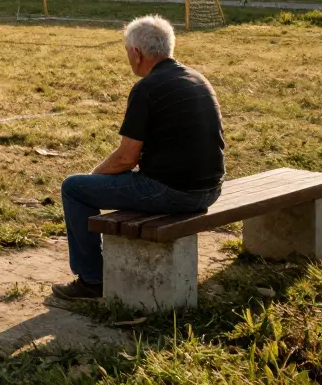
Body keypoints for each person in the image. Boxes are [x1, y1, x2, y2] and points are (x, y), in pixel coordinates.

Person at [52, 15, 225, 300]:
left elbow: (126, 158)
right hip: (210, 191)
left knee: (74, 188)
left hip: (176, 193)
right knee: (92, 185)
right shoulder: (197, 78)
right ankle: (95, 274)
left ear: (137, 53)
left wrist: (93, 178)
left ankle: (92, 281)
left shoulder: (147, 88)